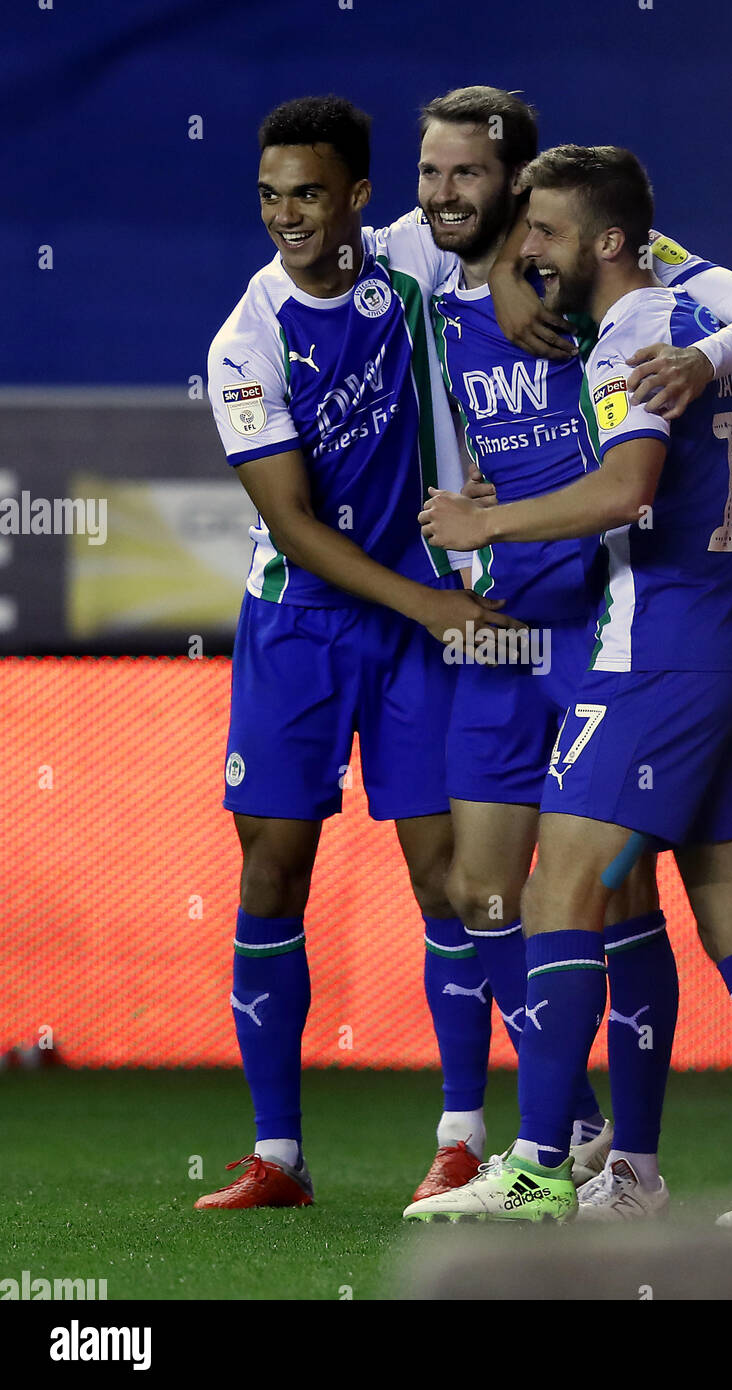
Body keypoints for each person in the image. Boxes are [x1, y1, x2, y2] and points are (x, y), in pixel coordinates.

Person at [409, 144, 732, 1225]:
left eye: (543, 230)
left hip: (656, 658)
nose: (527, 248)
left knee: (557, 894)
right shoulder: (692, 315)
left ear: (603, 241)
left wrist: (485, 519)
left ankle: (543, 1169)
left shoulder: (634, 335)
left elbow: (623, 487)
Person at [196, 93, 518, 1209]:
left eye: (311, 194)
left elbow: (509, 207)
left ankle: (464, 1136)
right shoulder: (244, 341)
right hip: (300, 626)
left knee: (452, 878)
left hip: (416, 626)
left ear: (359, 198)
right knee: (272, 871)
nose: (288, 216)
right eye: (272, 195)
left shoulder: (412, 268)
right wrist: (431, 608)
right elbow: (296, 530)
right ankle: (277, 1159)